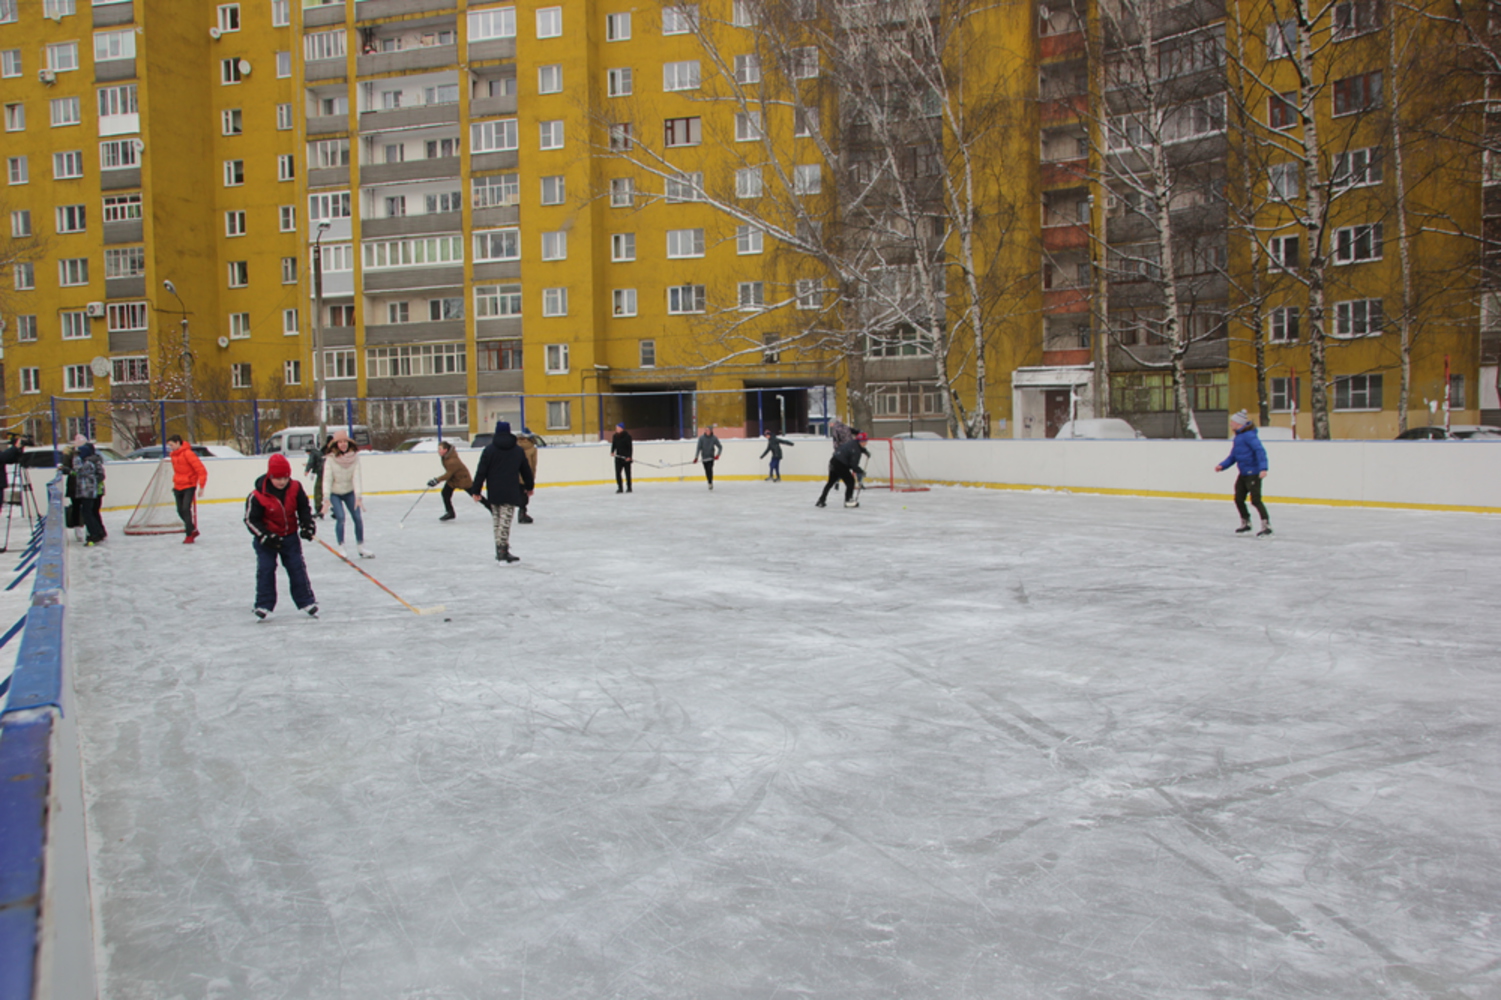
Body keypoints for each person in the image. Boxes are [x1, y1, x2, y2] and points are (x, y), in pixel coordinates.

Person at [244, 453, 318, 620]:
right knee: (266, 569)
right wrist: (265, 536)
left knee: (297, 567)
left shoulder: (295, 488)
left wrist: (307, 525)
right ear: (270, 475)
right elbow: (250, 520)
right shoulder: (257, 496)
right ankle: (263, 604)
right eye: (277, 478)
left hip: (290, 537)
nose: (282, 481)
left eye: (285, 477)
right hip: (267, 541)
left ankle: (306, 601)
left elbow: (304, 509)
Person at [469, 420, 534, 563]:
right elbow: (526, 470)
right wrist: (529, 486)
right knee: (505, 521)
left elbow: (481, 471)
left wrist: (476, 490)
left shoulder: (489, 450)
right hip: (511, 489)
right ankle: (502, 551)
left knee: (497, 520)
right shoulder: (517, 450)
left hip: (494, 490)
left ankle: (500, 549)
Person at [1215, 409, 1272, 536]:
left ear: (1238, 423)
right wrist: (1222, 466)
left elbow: (1260, 451)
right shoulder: (1238, 437)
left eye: (1232, 422)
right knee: (1239, 499)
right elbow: (1234, 456)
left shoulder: (1249, 436)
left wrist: (1263, 468)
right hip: (1243, 473)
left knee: (1256, 500)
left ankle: (1266, 525)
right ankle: (1246, 522)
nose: (1230, 424)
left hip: (1253, 472)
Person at [322, 429, 372, 557]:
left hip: (349, 492)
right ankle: (341, 546)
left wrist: (358, 496)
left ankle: (361, 547)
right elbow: (327, 478)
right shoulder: (331, 459)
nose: (343, 444)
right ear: (336, 444)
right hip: (335, 493)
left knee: (358, 519)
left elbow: (356, 477)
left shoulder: (354, 458)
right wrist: (326, 497)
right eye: (340, 442)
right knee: (341, 518)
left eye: (345, 441)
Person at [167, 435, 207, 543]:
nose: (170, 447)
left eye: (172, 445)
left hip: (189, 485)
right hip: (178, 485)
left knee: (185, 508)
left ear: (178, 443)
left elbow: (201, 470)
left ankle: (189, 534)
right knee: (180, 510)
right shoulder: (173, 455)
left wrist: (201, 486)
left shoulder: (188, 454)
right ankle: (193, 529)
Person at [817, 432, 870, 509]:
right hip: (840, 465)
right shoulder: (856, 451)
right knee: (850, 482)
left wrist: (865, 451)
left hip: (833, 461)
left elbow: (858, 448)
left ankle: (821, 500)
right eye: (865, 441)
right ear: (862, 442)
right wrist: (861, 471)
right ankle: (848, 501)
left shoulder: (853, 443)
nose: (866, 443)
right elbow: (853, 465)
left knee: (831, 482)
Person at [427, 440, 473, 521]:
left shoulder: (452, 461)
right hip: (453, 479)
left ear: (445, 450)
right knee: (445, 493)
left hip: (463, 479)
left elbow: (448, 474)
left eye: (440, 449)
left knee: (475, 495)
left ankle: (492, 509)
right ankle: (450, 512)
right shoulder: (446, 457)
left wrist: (436, 480)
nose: (438, 451)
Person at [74, 441, 108, 544]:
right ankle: (98, 532)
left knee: (90, 512)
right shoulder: (90, 462)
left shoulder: (89, 463)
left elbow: (78, 470)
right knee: (92, 512)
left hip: (90, 491)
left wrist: (93, 482)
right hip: (91, 491)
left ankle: (96, 533)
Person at [516, 427, 538, 524]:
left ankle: (521, 512)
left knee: (520, 493)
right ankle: (522, 512)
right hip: (526, 474)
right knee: (525, 495)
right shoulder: (532, 448)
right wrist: (532, 478)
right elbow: (533, 464)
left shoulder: (514, 447)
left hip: (515, 474)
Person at [692, 425, 723, 490]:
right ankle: (709, 481)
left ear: (711, 431)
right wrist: (696, 457)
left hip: (711, 457)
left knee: (709, 469)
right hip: (704, 457)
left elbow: (720, 447)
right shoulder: (701, 438)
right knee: (706, 470)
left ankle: (710, 482)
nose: (707, 431)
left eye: (708, 430)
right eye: (706, 430)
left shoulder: (714, 438)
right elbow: (698, 448)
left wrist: (718, 455)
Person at [304, 439, 326, 518]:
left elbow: (311, 462)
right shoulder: (318, 452)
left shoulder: (313, 453)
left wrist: (307, 470)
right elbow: (317, 463)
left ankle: (319, 508)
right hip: (324, 473)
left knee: (317, 490)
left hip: (321, 474)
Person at [610, 423, 634, 493]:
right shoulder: (615, 436)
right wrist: (612, 451)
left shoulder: (627, 436)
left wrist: (629, 457)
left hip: (626, 458)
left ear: (621, 428)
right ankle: (620, 487)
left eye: (617, 428)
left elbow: (630, 447)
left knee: (628, 473)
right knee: (618, 473)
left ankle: (629, 487)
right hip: (618, 458)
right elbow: (614, 445)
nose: (616, 429)